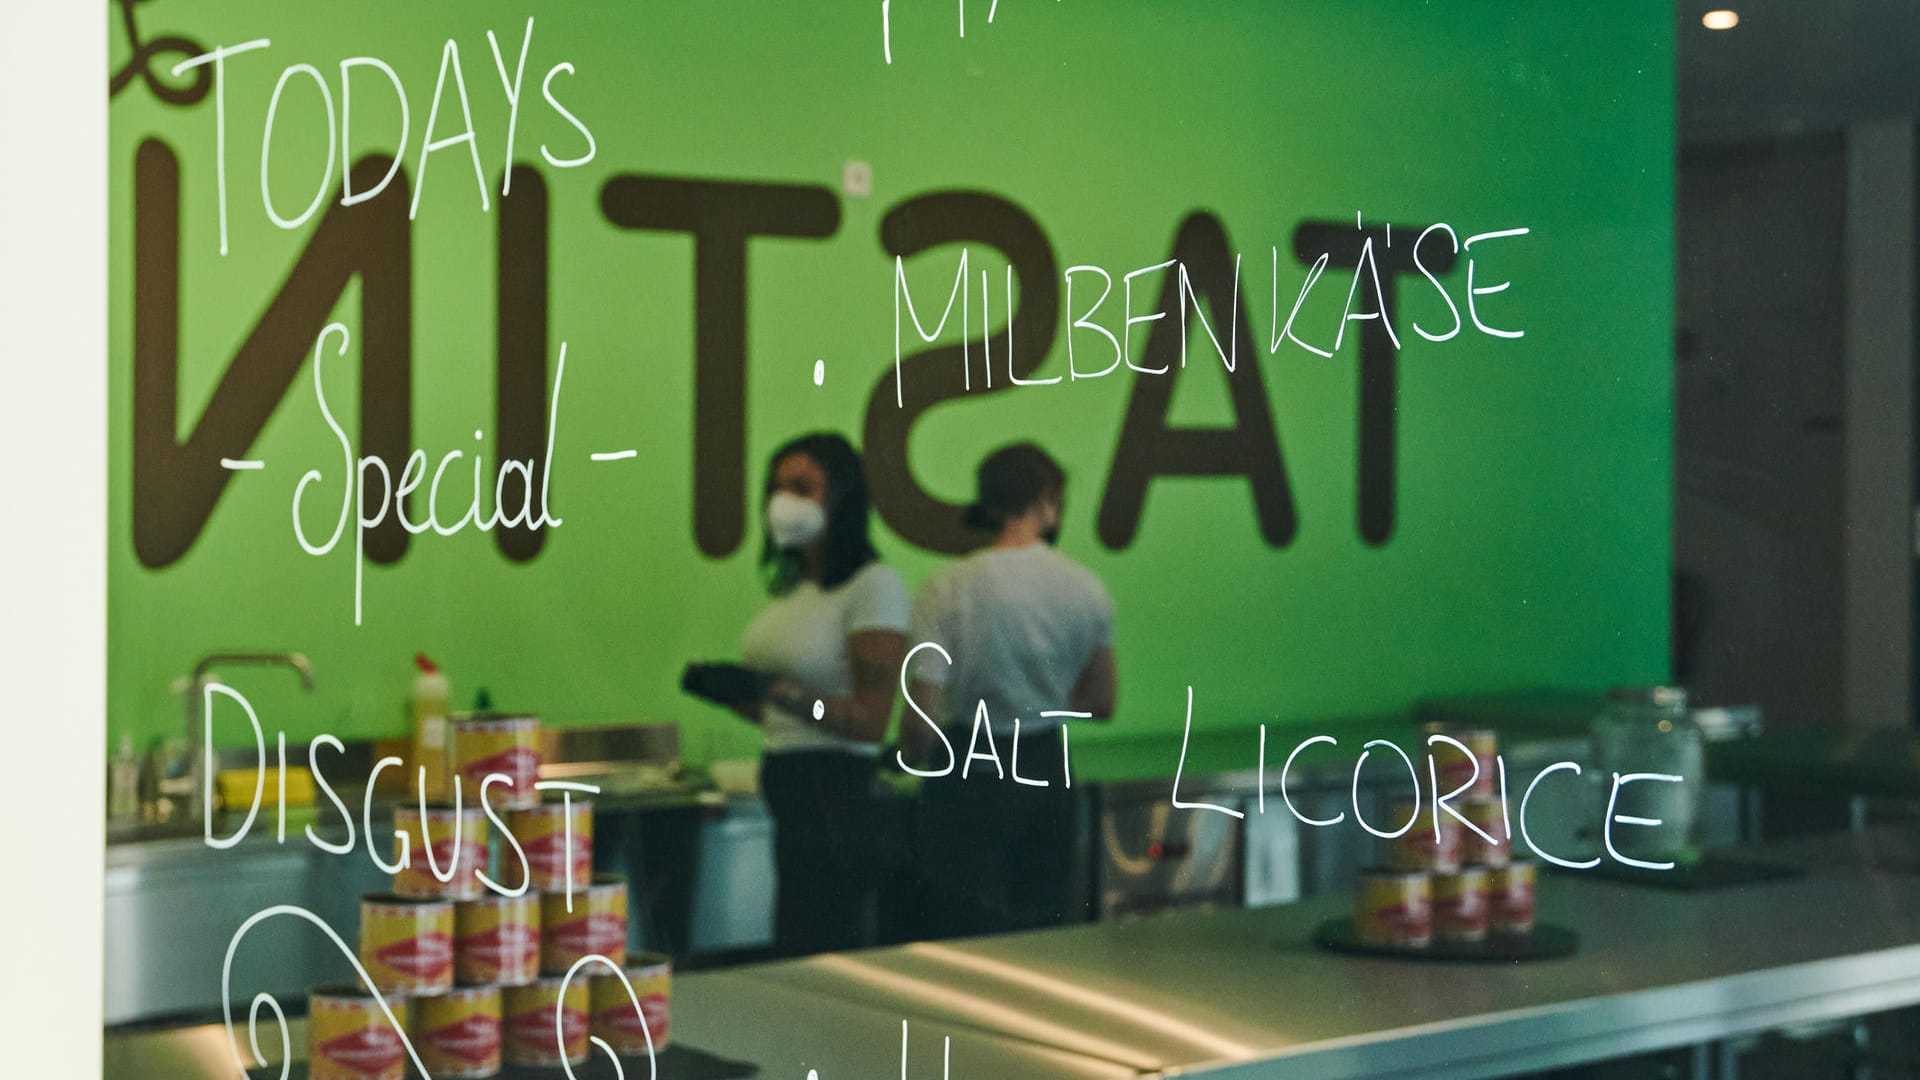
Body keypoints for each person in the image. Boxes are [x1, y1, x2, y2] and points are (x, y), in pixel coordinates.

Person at [681, 433, 908, 956]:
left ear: (842, 496)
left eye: (803, 487)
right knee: (793, 940)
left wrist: (777, 690)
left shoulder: (873, 587)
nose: (785, 501)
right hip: (791, 792)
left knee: (817, 948)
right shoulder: (796, 591)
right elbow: (791, 717)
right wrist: (731, 692)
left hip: (836, 797)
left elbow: (867, 719)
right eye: (777, 488)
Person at [900, 442, 1117, 938]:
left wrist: (906, 759)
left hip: (968, 770)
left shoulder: (947, 587)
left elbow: (924, 713)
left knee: (961, 931)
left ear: (988, 502)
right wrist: (1044, 695)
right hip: (1047, 763)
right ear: (1047, 500)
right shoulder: (1085, 587)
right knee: (1041, 933)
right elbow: (1102, 702)